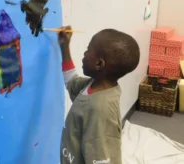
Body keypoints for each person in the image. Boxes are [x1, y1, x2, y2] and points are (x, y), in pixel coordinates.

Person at [58, 26, 140, 164]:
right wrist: (64, 47)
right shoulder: (93, 86)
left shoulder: (100, 111)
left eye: (88, 50)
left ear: (99, 64)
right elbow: (71, 82)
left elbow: (103, 158)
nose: (84, 54)